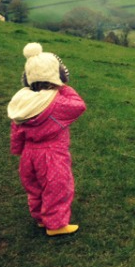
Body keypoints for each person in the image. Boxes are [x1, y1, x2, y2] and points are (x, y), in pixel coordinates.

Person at [7, 42, 86, 236]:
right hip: (52, 154)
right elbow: (79, 106)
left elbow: (16, 129)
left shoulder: (23, 102)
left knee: (35, 188)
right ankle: (56, 225)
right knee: (57, 188)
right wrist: (63, 87)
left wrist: (17, 148)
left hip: (28, 155)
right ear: (57, 75)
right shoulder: (57, 102)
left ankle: (41, 218)